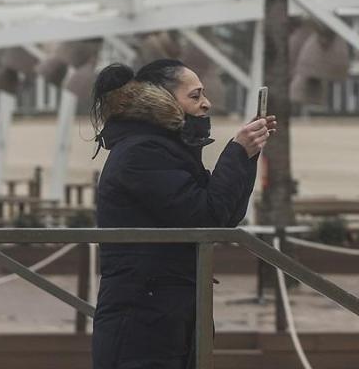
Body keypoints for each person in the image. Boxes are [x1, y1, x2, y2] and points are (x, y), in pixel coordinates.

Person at [88, 59, 275, 369]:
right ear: (163, 98)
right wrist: (237, 153)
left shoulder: (163, 148)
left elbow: (224, 218)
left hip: (164, 313)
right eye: (195, 96)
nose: (206, 104)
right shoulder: (142, 152)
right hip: (145, 319)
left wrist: (246, 154)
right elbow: (205, 218)